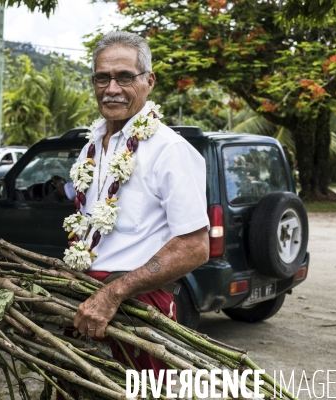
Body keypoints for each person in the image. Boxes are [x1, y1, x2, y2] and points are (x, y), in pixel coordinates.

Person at [62, 31, 210, 382]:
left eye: (125, 77)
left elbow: (194, 247)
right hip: (85, 301)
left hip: (138, 310)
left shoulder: (169, 150)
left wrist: (114, 293)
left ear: (149, 81)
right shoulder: (91, 147)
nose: (111, 88)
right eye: (102, 77)